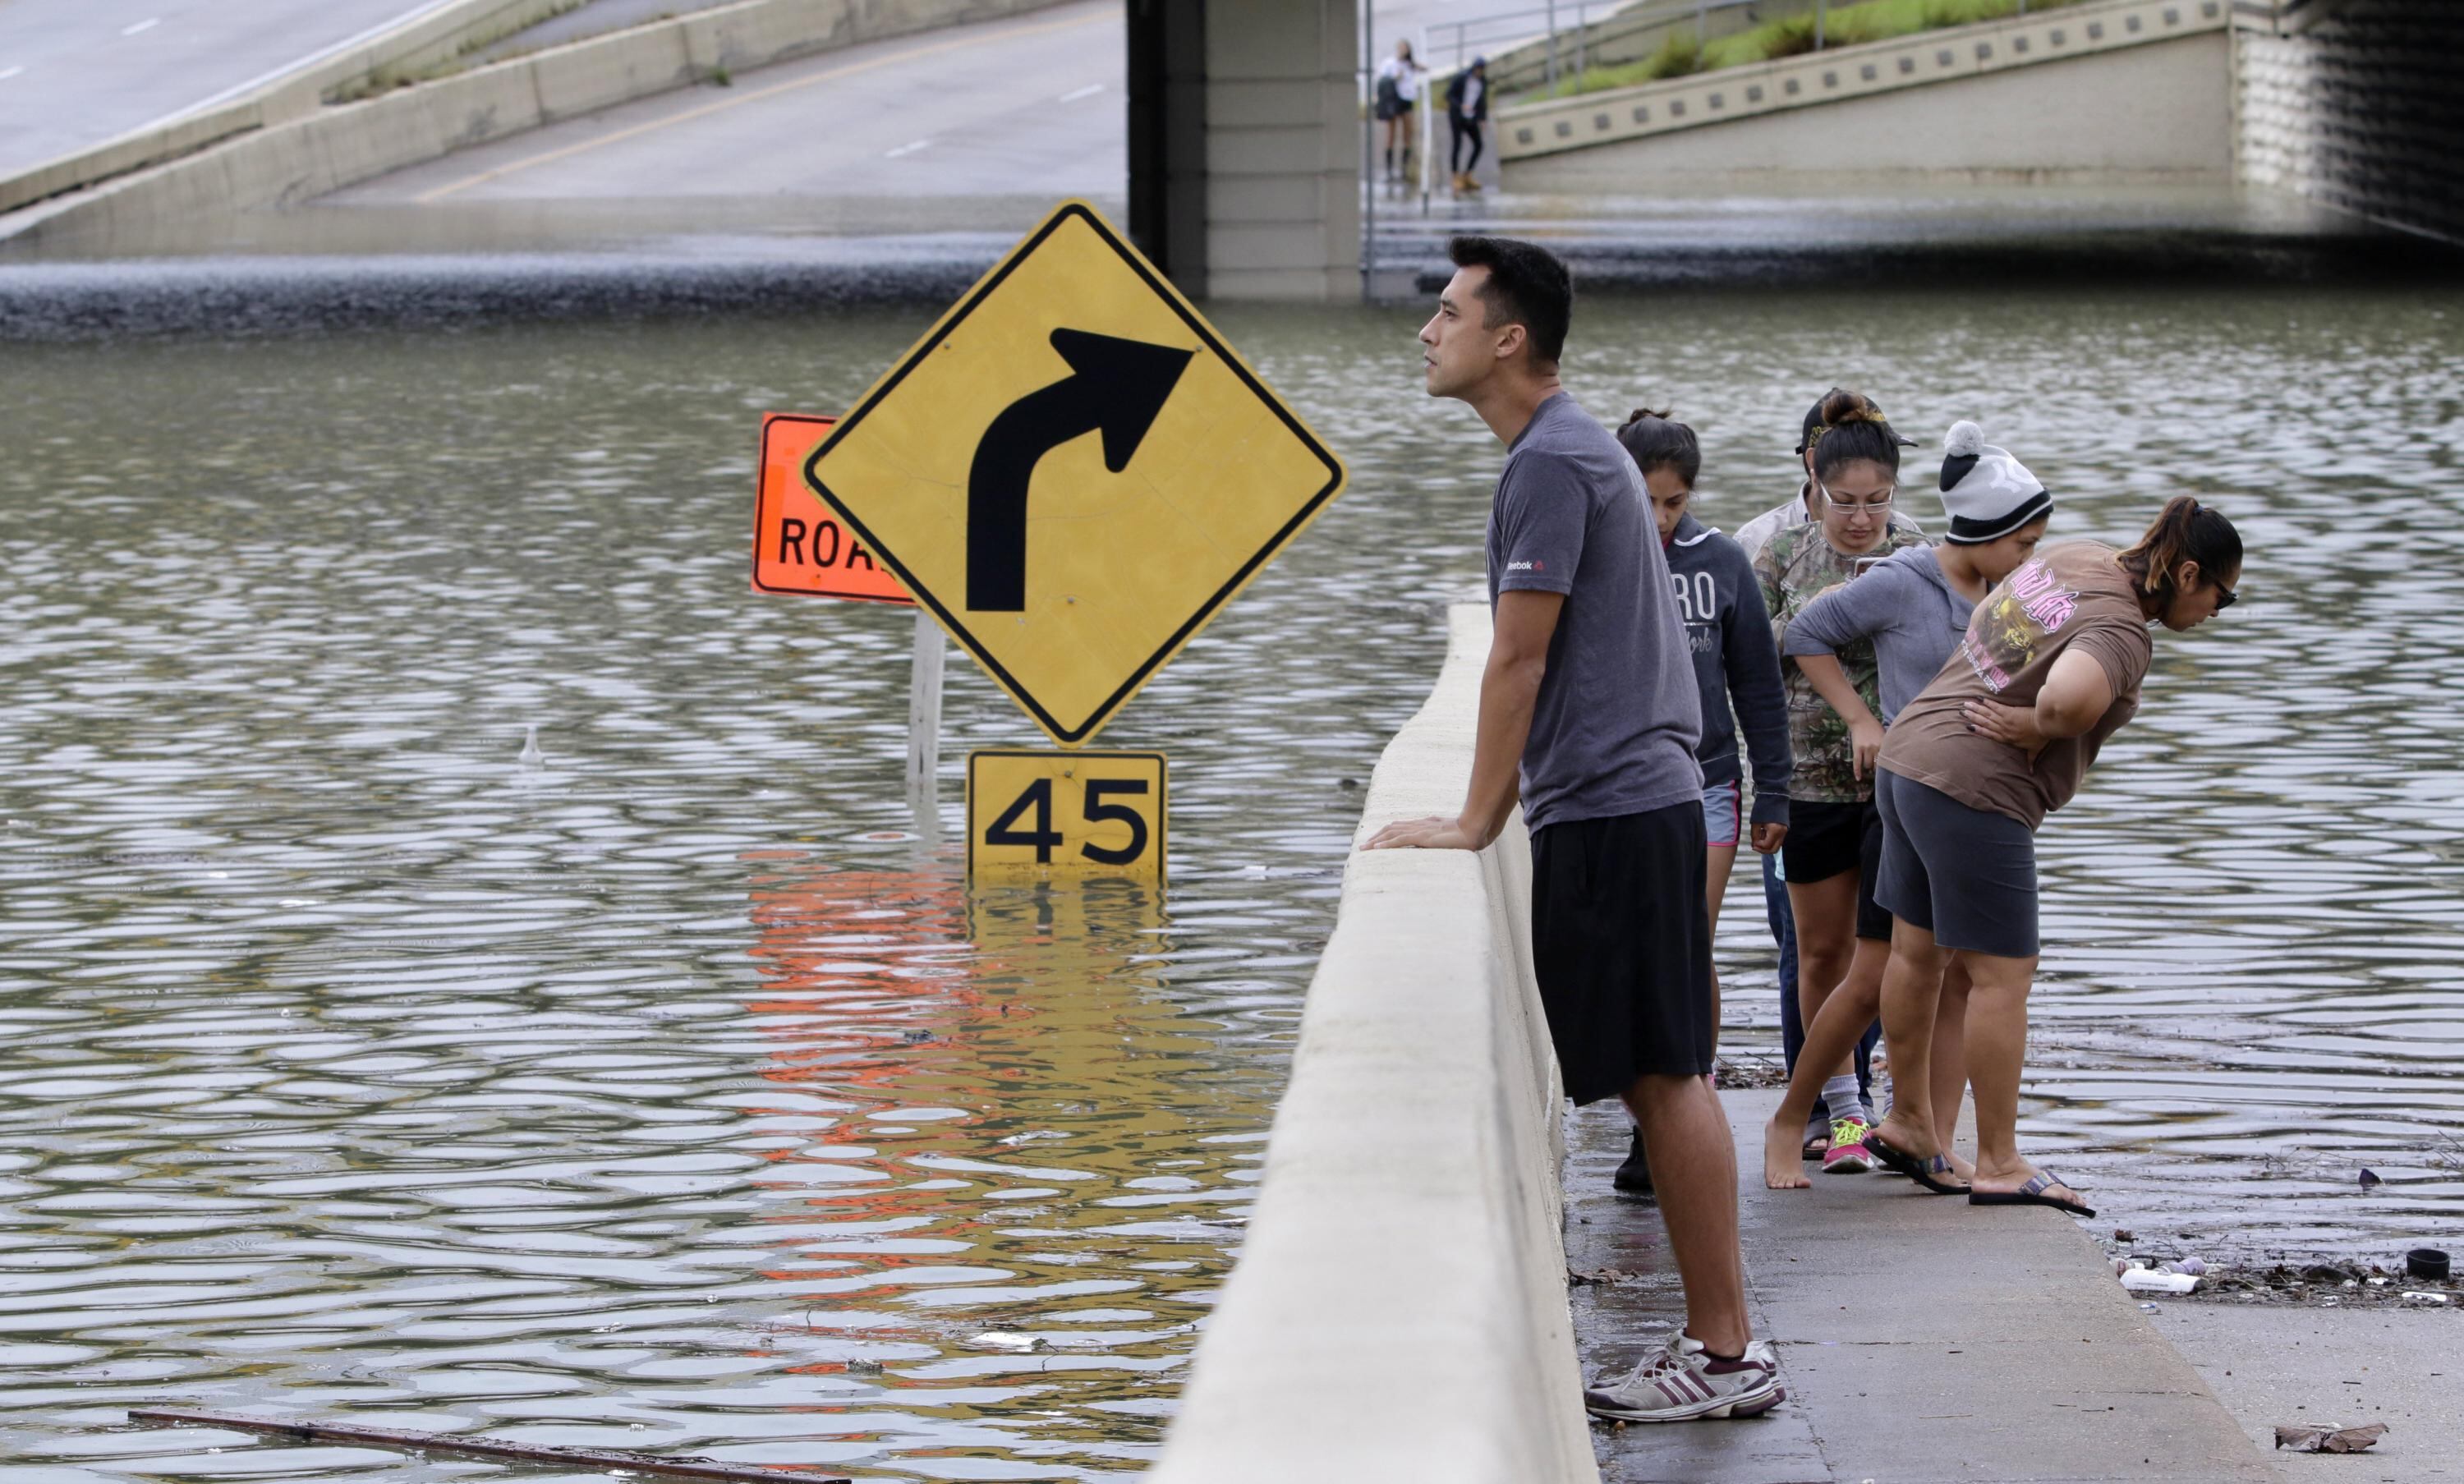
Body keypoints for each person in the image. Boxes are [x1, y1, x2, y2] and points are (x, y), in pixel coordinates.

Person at [1372, 236, 1781, 1422]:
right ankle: (1720, 1345)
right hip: (1629, 802)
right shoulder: (1569, 450)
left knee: (1666, 1077)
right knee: (1663, 1075)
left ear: (1509, 338)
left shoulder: (1552, 459)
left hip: (1613, 804)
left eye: (1447, 312)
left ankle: (1725, 1353)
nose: (1426, 330)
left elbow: (1519, 653)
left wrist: (1472, 817)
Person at [1861, 498, 2243, 1217]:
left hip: (1909, 757)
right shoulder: (2125, 629)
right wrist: (2036, 723)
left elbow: (1987, 620)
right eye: (2221, 594)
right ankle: (2001, 1162)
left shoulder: (2075, 556)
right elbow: (2070, 699)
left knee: (1917, 954)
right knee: (2002, 975)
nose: (2218, 611)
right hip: (1974, 789)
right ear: (2188, 572)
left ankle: (1911, 1121)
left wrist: (2016, 700)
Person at [1758, 421, 2051, 1190]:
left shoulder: (2009, 597)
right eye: (2023, 543)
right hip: (1903, 798)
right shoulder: (1903, 577)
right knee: (1870, 973)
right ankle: (1795, 1117)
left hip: (1974, 806)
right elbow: (1804, 633)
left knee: (1962, 978)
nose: (2033, 561)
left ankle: (1932, 1136)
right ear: (1984, 532)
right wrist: (1864, 720)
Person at [1734, 393, 1925, 1159]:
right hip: (1805, 776)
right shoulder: (1775, 551)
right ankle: (1829, 1104)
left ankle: (1869, 1099)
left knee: (1883, 950)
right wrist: (1837, 611)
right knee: (1816, 951)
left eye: (1876, 502)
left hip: (1895, 779)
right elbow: (1746, 653)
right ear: (1814, 479)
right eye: (1844, 502)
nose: (1860, 518)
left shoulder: (1914, 549)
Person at [1611, 410, 1791, 1196]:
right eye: (1646, 500)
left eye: (1674, 502)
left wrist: (1774, 787)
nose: (1659, 518)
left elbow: (1755, 683)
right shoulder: (1594, 558)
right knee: (1633, 950)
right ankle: (1647, 1109)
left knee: (1686, 942)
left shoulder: (1719, 563)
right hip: (1613, 784)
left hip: (1707, 779)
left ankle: (1686, 1107)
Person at [1374, 39, 1426, 182]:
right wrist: (1396, 77)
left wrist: (1413, 64)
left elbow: (1424, 68)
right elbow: (1382, 79)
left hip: (1407, 99)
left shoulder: (1410, 65)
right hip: (1394, 99)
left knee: (1407, 134)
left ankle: (1404, 168)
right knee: (1391, 134)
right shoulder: (1390, 63)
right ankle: (1389, 169)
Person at [1446, 57, 1489, 194]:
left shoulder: (1482, 82)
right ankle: (1455, 176)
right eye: (1477, 69)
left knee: (1479, 144)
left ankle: (1467, 174)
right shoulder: (1462, 78)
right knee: (1457, 145)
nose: (1479, 72)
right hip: (1457, 116)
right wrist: (1460, 106)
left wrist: (1482, 118)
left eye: (1481, 69)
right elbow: (1449, 95)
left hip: (1471, 118)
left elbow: (1482, 102)